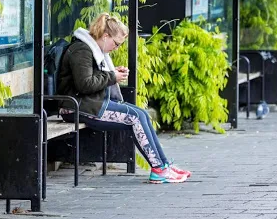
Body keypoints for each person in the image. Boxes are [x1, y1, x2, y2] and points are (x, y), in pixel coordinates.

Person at [57, 13, 191, 184]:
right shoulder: (82, 50)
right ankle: (159, 169)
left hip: (90, 103)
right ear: (105, 36)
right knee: (135, 117)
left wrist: (112, 74)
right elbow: (85, 84)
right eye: (116, 43)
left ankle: (163, 165)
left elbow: (91, 79)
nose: (117, 48)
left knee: (141, 114)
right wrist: (112, 76)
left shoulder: (91, 49)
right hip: (76, 106)